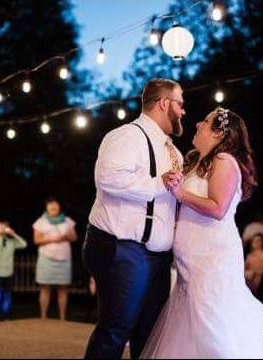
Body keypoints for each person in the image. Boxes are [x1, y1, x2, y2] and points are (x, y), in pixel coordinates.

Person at [141, 107, 263, 358]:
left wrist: (181, 194)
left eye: (205, 122)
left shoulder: (225, 161)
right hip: (190, 259)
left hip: (212, 257)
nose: (197, 123)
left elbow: (218, 208)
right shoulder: (196, 162)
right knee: (189, 325)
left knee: (212, 324)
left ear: (219, 133)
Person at [83, 78, 185, 359]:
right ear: (164, 103)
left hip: (158, 258)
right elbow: (108, 179)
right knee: (116, 331)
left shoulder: (173, 152)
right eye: (180, 104)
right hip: (123, 249)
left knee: (150, 335)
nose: (183, 111)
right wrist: (158, 183)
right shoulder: (127, 136)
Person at [33, 197, 77, 321]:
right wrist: (54, 239)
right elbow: (36, 240)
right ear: (47, 207)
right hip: (46, 259)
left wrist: (68, 235)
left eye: (55, 205)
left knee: (63, 289)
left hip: (64, 259)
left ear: (59, 207)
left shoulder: (67, 221)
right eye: (50, 205)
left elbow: (74, 238)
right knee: (45, 288)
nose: (53, 207)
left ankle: (62, 318)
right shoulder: (41, 221)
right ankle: (43, 317)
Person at [0, 221, 27, 322]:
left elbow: (24, 244)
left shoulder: (12, 241)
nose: (2, 229)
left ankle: (6, 316)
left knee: (7, 297)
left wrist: (13, 234)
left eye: (4, 227)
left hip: (8, 273)